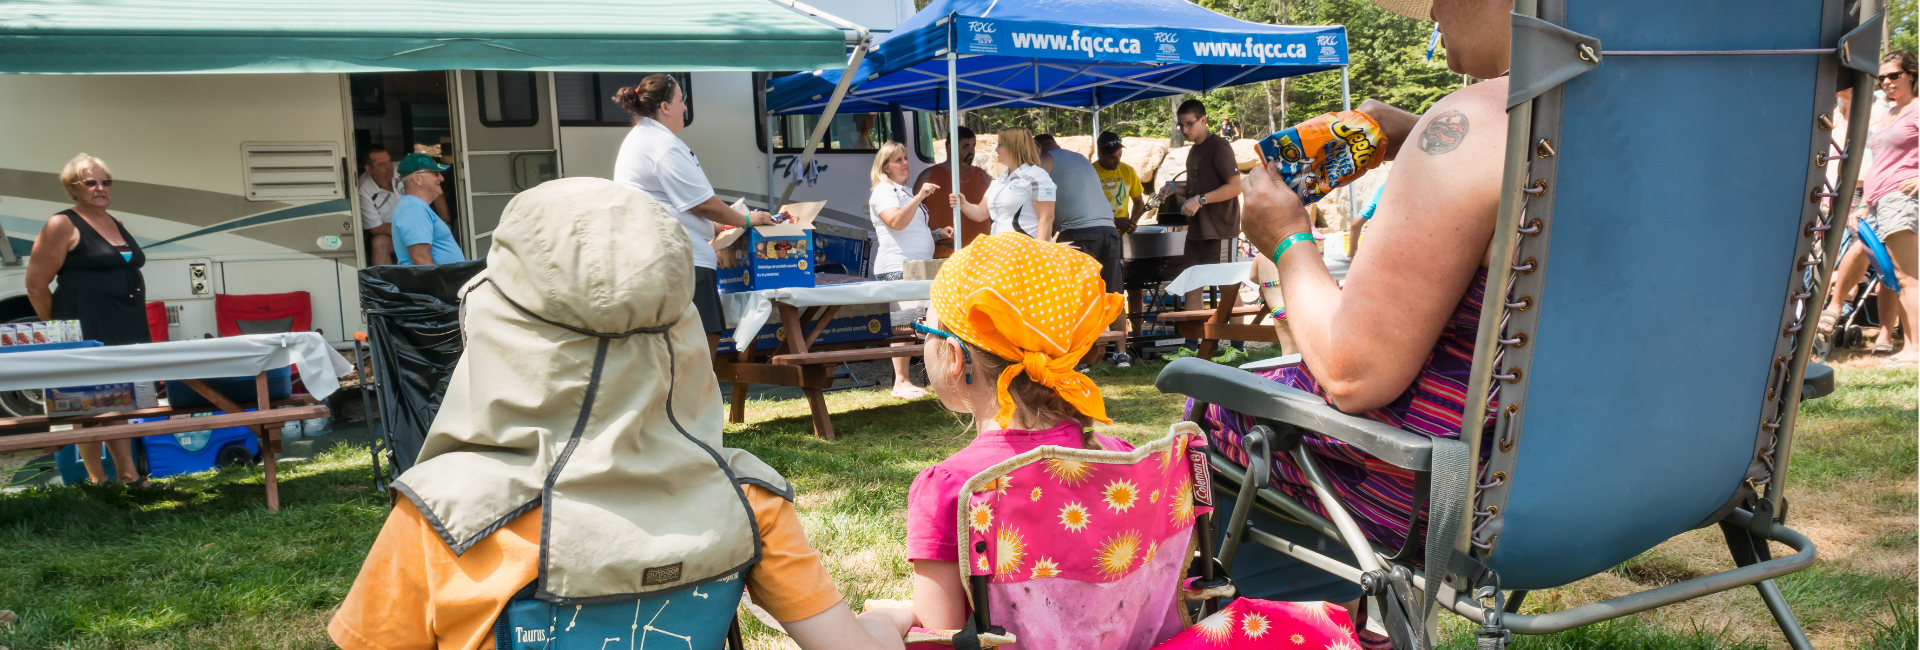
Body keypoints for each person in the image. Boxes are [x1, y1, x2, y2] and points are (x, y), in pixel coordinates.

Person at [329, 177, 910, 650]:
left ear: (496, 330)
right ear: (680, 338)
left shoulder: (441, 517)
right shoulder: (747, 499)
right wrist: (886, 625)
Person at [1197, 0, 1510, 638]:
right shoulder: (1668, 124)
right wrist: (1425, 132)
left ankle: (1302, 629)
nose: (1430, 8)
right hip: (1651, 473)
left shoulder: (1478, 123)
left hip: (1460, 498)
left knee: (1211, 412)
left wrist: (1286, 241)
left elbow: (1353, 374)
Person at [904, 233, 1131, 632]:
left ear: (955, 357)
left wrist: (889, 620)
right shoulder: (1122, 458)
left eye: (925, 325)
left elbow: (939, 637)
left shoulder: (954, 488)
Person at [613, 73, 776, 346]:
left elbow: (671, 203)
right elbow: (703, 204)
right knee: (702, 337)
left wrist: (717, 226)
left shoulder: (642, 137)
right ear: (664, 107)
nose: (685, 107)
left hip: (656, 256)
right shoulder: (662, 144)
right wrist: (746, 219)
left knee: (671, 342)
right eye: (681, 100)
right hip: (681, 258)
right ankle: (700, 391)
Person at [23, 153, 149, 486]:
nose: (100, 188)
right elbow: (35, 285)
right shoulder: (61, 224)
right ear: (72, 189)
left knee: (120, 401)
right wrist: (64, 331)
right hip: (85, 328)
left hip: (125, 324)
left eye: (106, 182)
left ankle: (113, 478)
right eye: (90, 183)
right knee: (90, 405)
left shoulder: (115, 221)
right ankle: (114, 478)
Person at [868, 141, 950, 399]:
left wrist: (936, 233)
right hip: (898, 267)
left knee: (920, 322)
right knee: (904, 324)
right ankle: (900, 382)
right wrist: (920, 196)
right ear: (885, 168)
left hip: (917, 267)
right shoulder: (883, 191)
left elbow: (912, 228)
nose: (905, 163)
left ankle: (915, 379)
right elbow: (895, 222)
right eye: (898, 160)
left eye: (905, 157)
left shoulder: (900, 191)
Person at [1859, 51, 1917, 365]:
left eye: (1894, 75)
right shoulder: (1888, 113)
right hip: (1878, 201)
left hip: (1901, 197)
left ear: (1912, 75)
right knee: (1892, 276)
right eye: (1881, 77)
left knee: (1908, 277)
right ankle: (1909, 346)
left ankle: (1915, 348)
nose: (1886, 82)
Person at [1174, 99, 1244, 309]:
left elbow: (1235, 187)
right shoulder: (1194, 150)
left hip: (1220, 230)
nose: (1184, 130)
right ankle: (1192, 342)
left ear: (1203, 120)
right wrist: (1171, 188)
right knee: (1191, 286)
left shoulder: (1219, 146)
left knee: (1228, 288)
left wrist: (1199, 200)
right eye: (1181, 125)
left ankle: (1237, 342)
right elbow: (1194, 188)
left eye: (1189, 124)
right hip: (1196, 232)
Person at [950, 128, 1056, 240]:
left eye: (1000, 144)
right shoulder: (999, 179)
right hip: (1000, 251)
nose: (996, 149)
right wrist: (963, 204)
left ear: (1014, 147)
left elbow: (1047, 218)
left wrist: (1039, 253)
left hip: (1025, 252)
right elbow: (981, 213)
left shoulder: (1036, 176)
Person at [914, 126, 991, 256]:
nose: (971, 151)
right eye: (966, 146)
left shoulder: (983, 176)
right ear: (951, 148)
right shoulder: (929, 176)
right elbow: (914, 214)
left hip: (979, 254)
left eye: (973, 146)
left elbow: (994, 212)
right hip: (941, 253)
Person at [389, 153, 465, 266]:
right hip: (436, 283)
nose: (441, 178)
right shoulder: (413, 208)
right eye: (435, 173)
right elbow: (420, 258)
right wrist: (439, 283)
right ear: (417, 178)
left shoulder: (415, 205)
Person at [1093, 131, 1147, 235]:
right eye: (1113, 158)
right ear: (1100, 155)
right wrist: (1114, 222)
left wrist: (1132, 222)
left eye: (1120, 155)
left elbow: (1139, 201)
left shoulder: (1128, 171)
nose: (1118, 161)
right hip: (1098, 235)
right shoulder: (1089, 172)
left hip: (1121, 236)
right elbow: (1086, 210)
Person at [356, 145, 401, 266]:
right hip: (394, 235)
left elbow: (434, 187)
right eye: (382, 165)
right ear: (369, 169)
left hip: (422, 228)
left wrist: (446, 220)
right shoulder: (363, 188)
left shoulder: (403, 169)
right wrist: (411, 232)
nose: (390, 167)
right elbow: (376, 228)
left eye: (389, 161)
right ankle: (384, 284)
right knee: (379, 242)